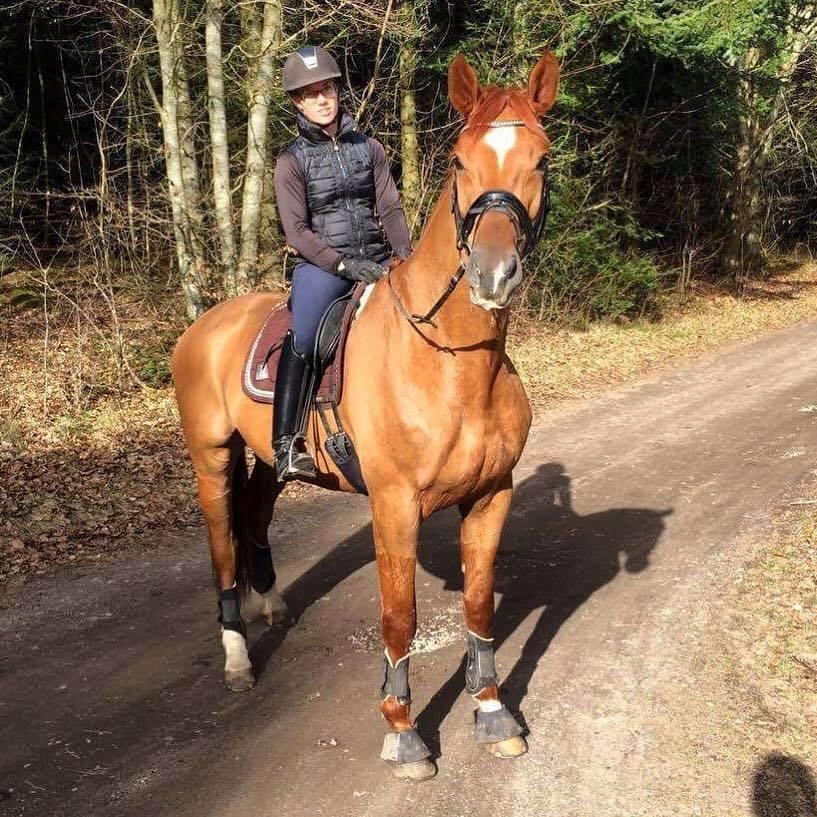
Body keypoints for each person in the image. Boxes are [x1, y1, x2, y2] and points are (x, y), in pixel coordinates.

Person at [272, 45, 413, 481]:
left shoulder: (369, 148)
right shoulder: (290, 161)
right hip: (323, 267)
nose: (321, 99)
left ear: (337, 91)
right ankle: (287, 443)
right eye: (311, 93)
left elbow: (389, 208)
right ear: (298, 101)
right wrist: (342, 267)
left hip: (378, 259)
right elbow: (297, 232)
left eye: (327, 89)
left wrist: (406, 257)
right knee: (308, 332)